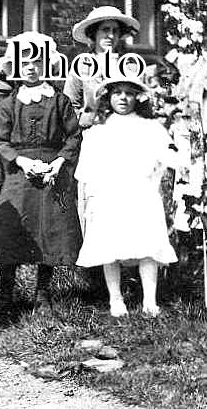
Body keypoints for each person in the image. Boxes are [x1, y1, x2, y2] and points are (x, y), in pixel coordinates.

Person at [0, 31, 83, 316]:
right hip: (20, 174)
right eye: (25, 63)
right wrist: (21, 161)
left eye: (37, 62)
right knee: (10, 229)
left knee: (49, 229)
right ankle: (6, 295)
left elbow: (73, 136)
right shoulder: (9, 103)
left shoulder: (59, 101)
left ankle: (42, 294)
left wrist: (58, 163)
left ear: (47, 65)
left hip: (52, 173)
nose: (31, 68)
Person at [75, 76, 181, 317]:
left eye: (129, 93)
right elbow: (87, 170)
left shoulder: (150, 127)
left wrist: (178, 149)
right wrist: (92, 199)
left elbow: (170, 157)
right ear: (108, 98)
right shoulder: (98, 130)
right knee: (109, 245)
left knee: (147, 244)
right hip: (109, 193)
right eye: (117, 93)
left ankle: (149, 301)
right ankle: (116, 299)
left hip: (141, 192)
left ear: (137, 98)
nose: (123, 98)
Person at [64, 5, 140, 129]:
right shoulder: (83, 66)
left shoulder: (130, 64)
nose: (110, 35)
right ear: (94, 33)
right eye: (105, 30)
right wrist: (86, 121)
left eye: (115, 31)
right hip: (93, 130)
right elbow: (69, 106)